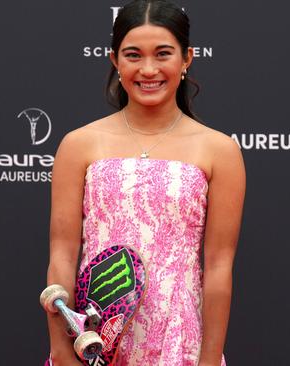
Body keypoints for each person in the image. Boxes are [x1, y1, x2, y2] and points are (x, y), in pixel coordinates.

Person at [45, 1, 245, 365]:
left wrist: (210, 358)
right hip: (96, 343)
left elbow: (218, 267)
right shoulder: (79, 144)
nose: (148, 69)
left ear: (187, 59)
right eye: (133, 55)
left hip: (178, 342)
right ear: (114, 60)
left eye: (163, 54)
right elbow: (61, 254)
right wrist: (62, 350)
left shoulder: (219, 150)